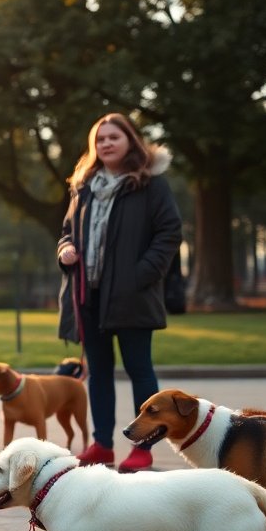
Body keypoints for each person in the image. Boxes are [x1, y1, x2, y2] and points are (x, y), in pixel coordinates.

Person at [58, 113, 182, 473]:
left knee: (139, 370)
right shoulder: (83, 187)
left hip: (133, 295)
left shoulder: (150, 184)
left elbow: (169, 232)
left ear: (131, 140)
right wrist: (65, 251)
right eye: (100, 139)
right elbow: (67, 231)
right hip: (89, 295)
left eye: (114, 137)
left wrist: (141, 274)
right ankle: (102, 444)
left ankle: (143, 447)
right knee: (98, 372)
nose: (106, 143)